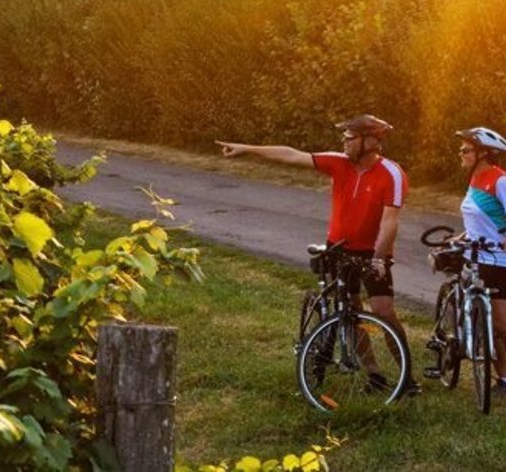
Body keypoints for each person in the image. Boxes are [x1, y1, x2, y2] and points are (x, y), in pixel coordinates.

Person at [217, 114, 417, 393]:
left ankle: (407, 378)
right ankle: (375, 375)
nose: (343, 142)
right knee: (351, 312)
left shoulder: (392, 174)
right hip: (339, 248)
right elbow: (291, 155)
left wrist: (378, 259)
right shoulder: (338, 163)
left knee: (384, 311)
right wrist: (248, 148)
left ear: (370, 141)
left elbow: (390, 221)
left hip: (372, 252)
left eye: (349, 137)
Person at [450, 126, 506, 388]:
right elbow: (481, 218)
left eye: (466, 149)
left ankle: (504, 377)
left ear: (484, 153)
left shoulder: (500, 180)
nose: (460, 153)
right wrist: (462, 237)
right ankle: (501, 376)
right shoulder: (474, 179)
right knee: (489, 324)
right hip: (475, 256)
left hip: (499, 261)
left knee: (501, 325)